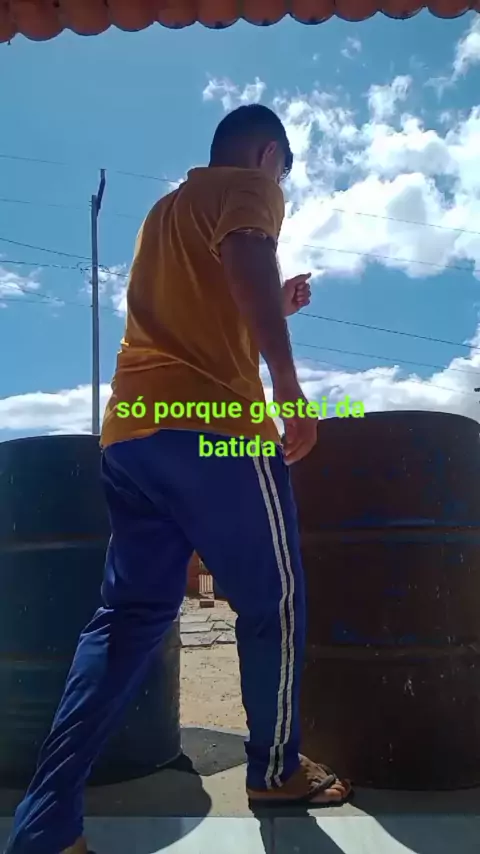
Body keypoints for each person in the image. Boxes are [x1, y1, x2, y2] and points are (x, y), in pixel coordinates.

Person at [5, 104, 351, 854]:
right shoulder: (250, 187)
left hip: (132, 435)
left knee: (127, 620)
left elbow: (210, 298)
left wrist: (275, 302)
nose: (278, 189)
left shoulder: (165, 214)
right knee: (275, 603)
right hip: (216, 430)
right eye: (281, 173)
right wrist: (289, 389)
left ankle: (45, 822)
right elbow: (249, 255)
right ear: (267, 156)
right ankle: (275, 770)